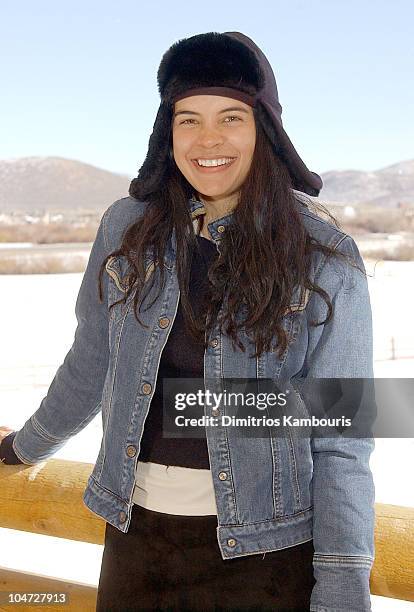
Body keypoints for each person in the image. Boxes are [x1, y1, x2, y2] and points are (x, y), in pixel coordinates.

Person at [0, 31, 375, 611]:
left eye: (231, 117)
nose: (208, 140)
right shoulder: (128, 229)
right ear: (166, 132)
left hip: (265, 557)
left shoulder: (324, 256)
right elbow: (92, 359)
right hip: (135, 538)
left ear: (265, 130)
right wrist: (23, 448)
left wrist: (343, 584)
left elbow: (343, 439)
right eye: (187, 119)